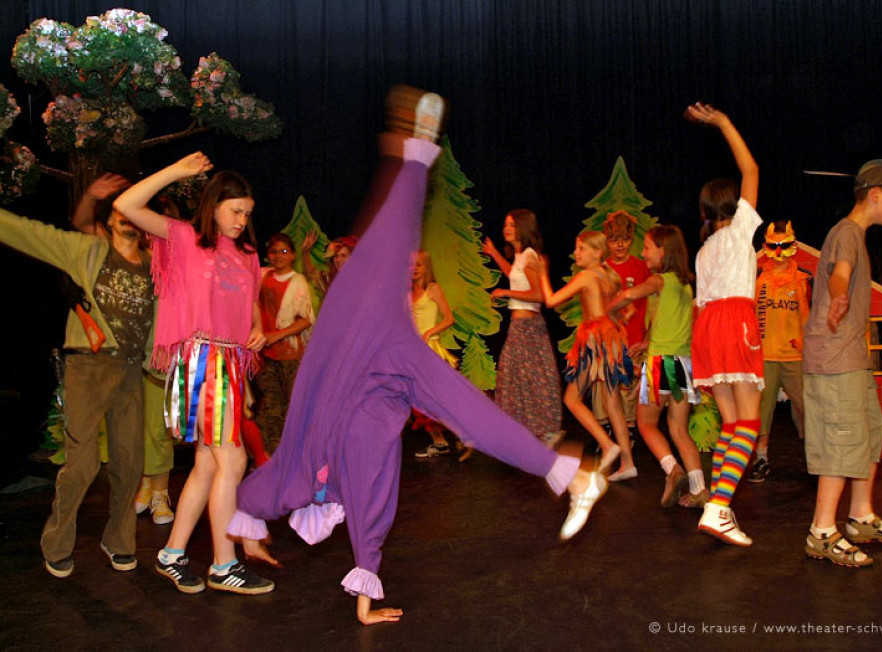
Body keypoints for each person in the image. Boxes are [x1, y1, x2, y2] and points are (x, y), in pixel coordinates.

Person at [226, 92, 608, 625]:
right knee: (471, 414)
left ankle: (568, 474)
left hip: (374, 341)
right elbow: (304, 502)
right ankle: (567, 475)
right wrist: (251, 531)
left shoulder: (303, 471)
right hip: (380, 349)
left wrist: (359, 599)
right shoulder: (303, 470)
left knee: (392, 251)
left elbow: (352, 509)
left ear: (321, 505)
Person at [114, 156, 274, 595]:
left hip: (231, 361)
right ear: (213, 206)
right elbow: (127, 205)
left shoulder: (245, 253)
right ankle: (224, 564)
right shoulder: (185, 237)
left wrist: (257, 327)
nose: (242, 220)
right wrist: (176, 172)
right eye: (235, 211)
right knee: (233, 459)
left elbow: (249, 302)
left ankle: (172, 553)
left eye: (247, 213)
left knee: (208, 462)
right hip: (202, 360)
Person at [1, 190, 153, 579]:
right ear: (108, 220)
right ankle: (56, 543)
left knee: (130, 463)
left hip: (131, 371)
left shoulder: (154, 264)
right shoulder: (87, 251)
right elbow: (26, 231)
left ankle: (118, 541)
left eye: (134, 212)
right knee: (82, 464)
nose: (128, 218)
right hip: (88, 366)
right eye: (119, 211)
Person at [802, 160, 882, 567]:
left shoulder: (854, 233)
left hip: (852, 355)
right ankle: (821, 532)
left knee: (869, 432)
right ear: (876, 194)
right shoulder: (847, 233)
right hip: (835, 359)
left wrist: (841, 298)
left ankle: (861, 517)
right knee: (841, 442)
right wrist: (838, 296)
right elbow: (840, 273)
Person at [71, 173, 176, 526]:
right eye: (124, 215)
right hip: (110, 358)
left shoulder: (157, 256)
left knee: (155, 428)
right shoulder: (103, 248)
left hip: (151, 353)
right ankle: (142, 487)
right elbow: (82, 222)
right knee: (122, 434)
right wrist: (90, 194)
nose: (130, 221)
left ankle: (160, 491)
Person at [685, 102, 763, 547]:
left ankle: (720, 502)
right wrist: (725, 122)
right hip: (734, 318)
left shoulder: (705, 247)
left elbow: (700, 306)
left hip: (709, 327)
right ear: (733, 203)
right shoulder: (737, 233)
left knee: (731, 424)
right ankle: (718, 509)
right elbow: (750, 165)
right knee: (749, 423)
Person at [608, 225, 706, 504]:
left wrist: (609, 311)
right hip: (681, 364)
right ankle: (699, 490)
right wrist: (647, 340)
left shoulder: (659, 281)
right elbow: (671, 320)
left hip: (661, 364)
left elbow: (628, 295)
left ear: (663, 251)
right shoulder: (685, 284)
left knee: (646, 424)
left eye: (648, 247)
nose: (643, 252)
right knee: (678, 429)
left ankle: (672, 469)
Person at [532, 231, 635, 478]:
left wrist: (542, 273)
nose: (576, 253)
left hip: (595, 341)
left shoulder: (587, 276)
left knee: (572, 399)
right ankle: (628, 464)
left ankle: (608, 444)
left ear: (597, 252)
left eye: (581, 249)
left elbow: (551, 300)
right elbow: (628, 310)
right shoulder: (608, 275)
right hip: (609, 338)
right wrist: (610, 322)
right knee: (613, 405)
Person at [482, 210, 563, 447]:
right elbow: (514, 275)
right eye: (505, 224)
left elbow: (537, 295)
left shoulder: (530, 256)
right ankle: (520, 432)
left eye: (511, 225)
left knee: (535, 377)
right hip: (519, 325)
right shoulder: (520, 256)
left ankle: (547, 430)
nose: (506, 228)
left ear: (523, 228)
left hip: (529, 326)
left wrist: (505, 292)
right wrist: (495, 253)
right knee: (513, 376)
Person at [750, 220, 812, 483]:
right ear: (765, 247)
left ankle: (817, 457)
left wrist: (806, 344)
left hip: (794, 356)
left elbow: (808, 317)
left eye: (783, 246)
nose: (778, 251)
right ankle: (761, 459)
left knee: (808, 407)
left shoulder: (802, 280)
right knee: (762, 411)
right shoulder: (756, 279)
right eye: (773, 246)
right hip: (765, 356)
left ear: (793, 246)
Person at [592, 210, 651, 444]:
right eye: (615, 240)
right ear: (607, 240)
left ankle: (629, 428)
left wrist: (646, 336)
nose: (620, 245)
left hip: (633, 336)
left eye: (624, 240)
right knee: (604, 383)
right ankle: (604, 429)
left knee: (628, 385)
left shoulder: (641, 268)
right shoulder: (601, 269)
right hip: (606, 338)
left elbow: (648, 304)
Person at [256, 232, 315, 453]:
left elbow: (306, 320)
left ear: (291, 255)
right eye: (274, 251)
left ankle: (300, 455)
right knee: (271, 407)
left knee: (295, 407)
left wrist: (277, 335)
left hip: (290, 355)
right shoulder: (262, 277)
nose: (278, 256)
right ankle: (273, 457)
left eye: (283, 251)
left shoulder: (298, 282)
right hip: (265, 355)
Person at [409, 249, 459, 458]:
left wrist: (429, 332)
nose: (414, 268)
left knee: (435, 400)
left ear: (426, 267)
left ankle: (464, 434)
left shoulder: (433, 289)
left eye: (419, 264)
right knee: (419, 403)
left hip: (430, 350)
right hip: (413, 351)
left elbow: (448, 318)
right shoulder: (408, 292)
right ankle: (440, 442)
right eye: (411, 264)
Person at [301, 231, 356, 298]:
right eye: (335, 256)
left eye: (343, 255)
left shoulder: (363, 280)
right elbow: (312, 274)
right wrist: (305, 252)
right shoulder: (330, 278)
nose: (338, 260)